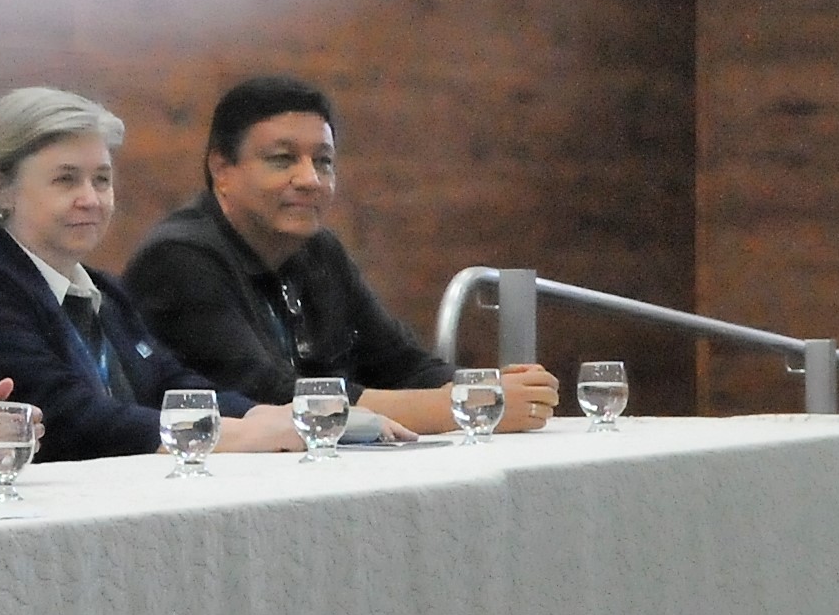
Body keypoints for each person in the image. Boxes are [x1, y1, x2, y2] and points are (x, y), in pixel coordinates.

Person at [126, 74, 559, 439]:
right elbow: (271, 396)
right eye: (282, 160)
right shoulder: (177, 259)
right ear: (222, 171)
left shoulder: (319, 250)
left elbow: (399, 363)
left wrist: (489, 387)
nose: (310, 180)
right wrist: (471, 405)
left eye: (324, 162)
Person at [0, 89, 303, 462]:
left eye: (101, 180)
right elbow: (67, 420)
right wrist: (235, 434)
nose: (91, 199)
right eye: (66, 180)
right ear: (1, 189)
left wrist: (261, 415)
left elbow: (168, 384)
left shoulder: (103, 291)